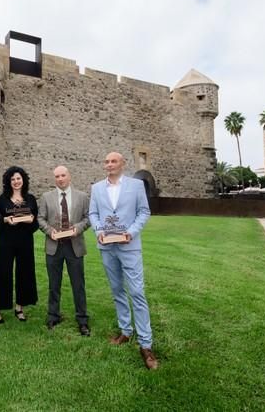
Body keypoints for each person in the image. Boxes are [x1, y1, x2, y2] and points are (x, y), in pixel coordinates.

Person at [89, 151, 158, 370]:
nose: (109, 164)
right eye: (106, 161)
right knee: (117, 290)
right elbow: (93, 214)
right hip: (107, 246)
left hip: (129, 246)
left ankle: (146, 344)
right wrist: (99, 230)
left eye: (113, 161)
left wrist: (131, 232)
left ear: (123, 164)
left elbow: (144, 212)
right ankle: (126, 331)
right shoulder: (97, 188)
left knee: (137, 292)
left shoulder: (136, 186)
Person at [37, 165, 91, 336]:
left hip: (74, 246)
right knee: (54, 284)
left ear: (69, 176)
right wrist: (49, 231)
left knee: (78, 285)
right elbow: (40, 218)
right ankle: (53, 316)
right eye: (57, 176)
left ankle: (82, 319)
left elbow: (88, 217)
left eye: (63, 175)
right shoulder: (46, 197)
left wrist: (78, 228)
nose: (60, 179)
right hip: (54, 247)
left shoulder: (82, 197)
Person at [0, 166, 39, 323]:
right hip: (7, 240)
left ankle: (20, 306)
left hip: (25, 240)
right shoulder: (3, 199)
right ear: (8, 181)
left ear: (23, 180)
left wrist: (32, 220)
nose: (16, 181)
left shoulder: (30, 198)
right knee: (3, 272)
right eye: (13, 179)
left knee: (24, 272)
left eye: (18, 178)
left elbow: (36, 219)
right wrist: (5, 220)